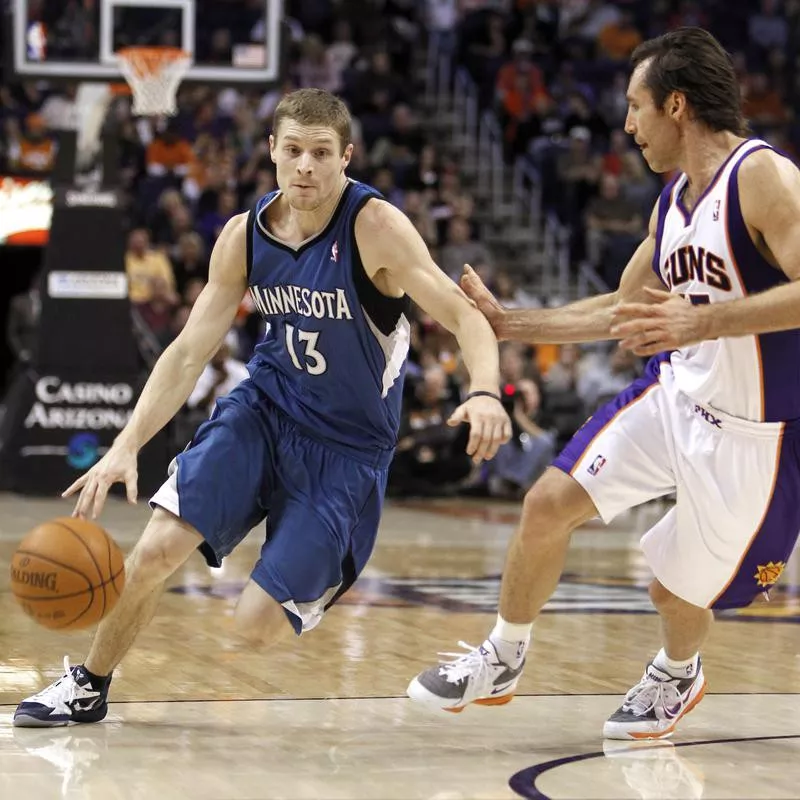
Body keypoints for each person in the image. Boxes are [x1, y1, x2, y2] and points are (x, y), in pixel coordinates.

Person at [14, 88, 511, 727]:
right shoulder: (242, 236)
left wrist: (486, 390)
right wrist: (125, 444)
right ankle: (88, 684)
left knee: (254, 628)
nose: (306, 166)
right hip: (264, 410)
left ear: (346, 158)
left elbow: (464, 315)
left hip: (347, 449)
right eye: (295, 151)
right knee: (156, 549)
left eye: (322, 153)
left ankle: (316, 569)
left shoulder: (376, 227)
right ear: (272, 151)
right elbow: (189, 351)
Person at [407, 27, 800, 740]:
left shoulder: (762, 178)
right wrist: (510, 323)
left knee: (674, 592)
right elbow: (622, 311)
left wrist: (703, 325)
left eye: (635, 106)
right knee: (546, 503)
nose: (626, 124)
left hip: (757, 434)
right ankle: (502, 656)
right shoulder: (672, 204)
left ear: (676, 105)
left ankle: (677, 674)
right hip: (675, 393)